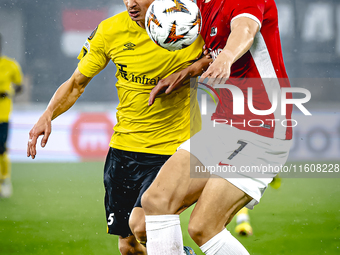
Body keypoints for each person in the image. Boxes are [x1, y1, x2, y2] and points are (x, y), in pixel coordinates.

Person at [27, 0, 211, 254]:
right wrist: (48, 113)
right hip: (123, 152)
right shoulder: (110, 30)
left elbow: (223, 57)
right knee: (129, 247)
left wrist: (196, 67)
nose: (130, 3)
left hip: (173, 151)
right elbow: (77, 83)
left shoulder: (190, 26)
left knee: (143, 226)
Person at [142, 0, 293, 254]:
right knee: (156, 201)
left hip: (263, 128)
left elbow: (244, 28)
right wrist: (187, 72)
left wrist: (227, 56)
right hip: (225, 125)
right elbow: (212, 51)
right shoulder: (201, 5)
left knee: (204, 227)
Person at [0, 33, 23, 198]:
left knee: (1, 148)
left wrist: (8, 92)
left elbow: (19, 87)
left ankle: (4, 180)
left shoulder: (10, 65)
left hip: (3, 115)